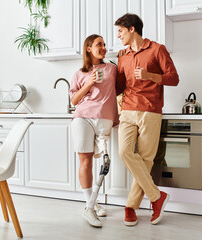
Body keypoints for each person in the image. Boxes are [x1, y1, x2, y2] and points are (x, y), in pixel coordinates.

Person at [115, 13, 179, 226]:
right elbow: (118, 87)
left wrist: (151, 76)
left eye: (121, 31)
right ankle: (156, 196)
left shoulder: (157, 49)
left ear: (132, 29)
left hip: (150, 110)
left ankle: (131, 206)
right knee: (124, 151)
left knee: (145, 159)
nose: (118, 36)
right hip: (127, 110)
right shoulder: (122, 55)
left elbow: (174, 78)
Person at [69, 34, 118, 228]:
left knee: (105, 163)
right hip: (82, 118)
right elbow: (73, 101)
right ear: (88, 48)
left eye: (105, 45)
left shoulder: (113, 68)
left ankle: (91, 205)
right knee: (86, 161)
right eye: (99, 44)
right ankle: (91, 203)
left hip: (104, 119)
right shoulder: (79, 73)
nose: (103, 47)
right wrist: (89, 82)